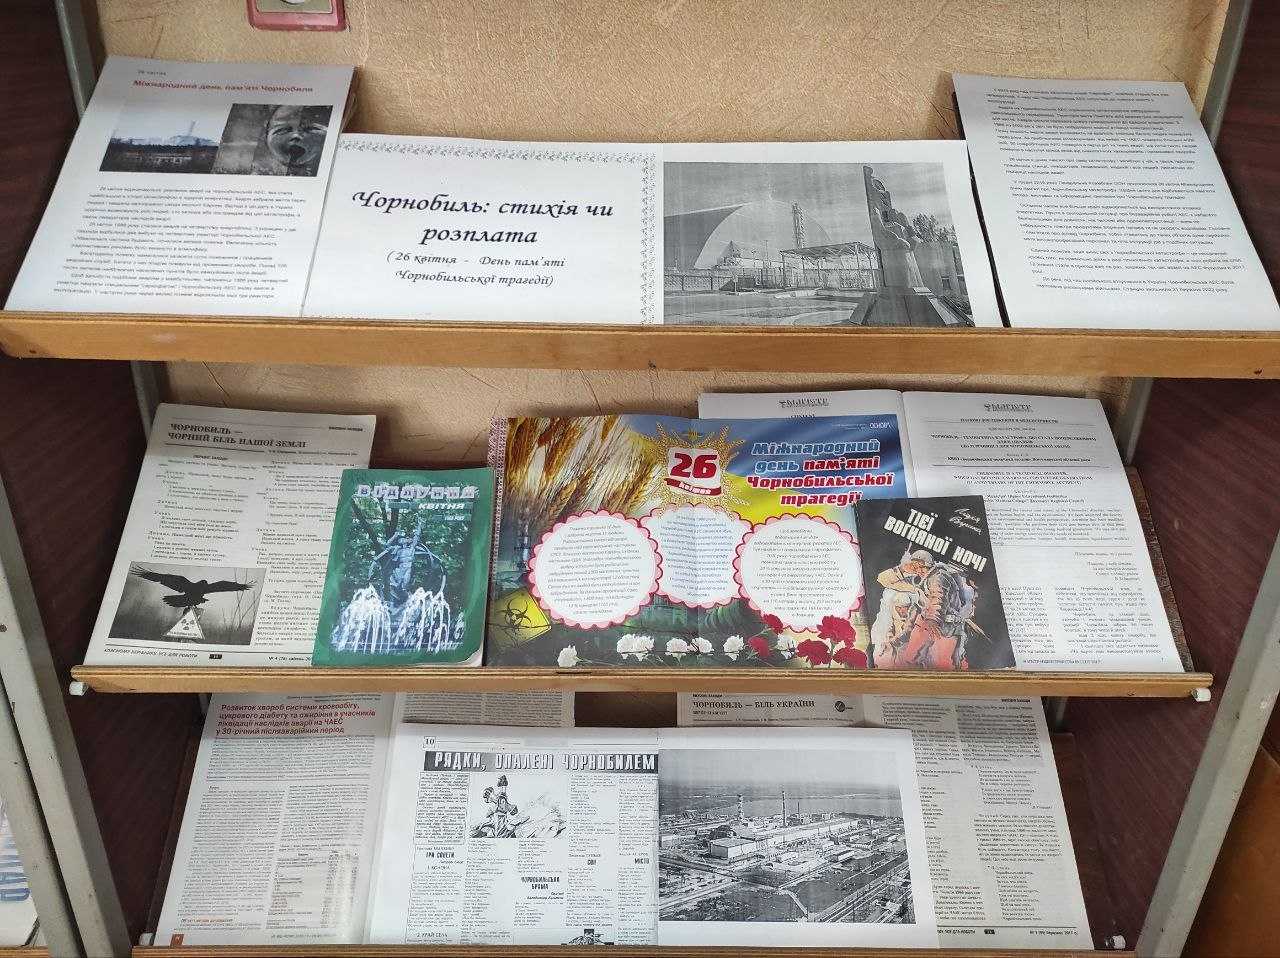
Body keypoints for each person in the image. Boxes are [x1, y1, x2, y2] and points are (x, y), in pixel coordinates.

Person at [871, 549, 934, 668]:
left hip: (917, 635)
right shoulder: (908, 582)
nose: (919, 570)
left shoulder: (933, 582)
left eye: (922, 567)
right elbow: (882, 578)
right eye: (916, 566)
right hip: (896, 634)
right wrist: (902, 569)